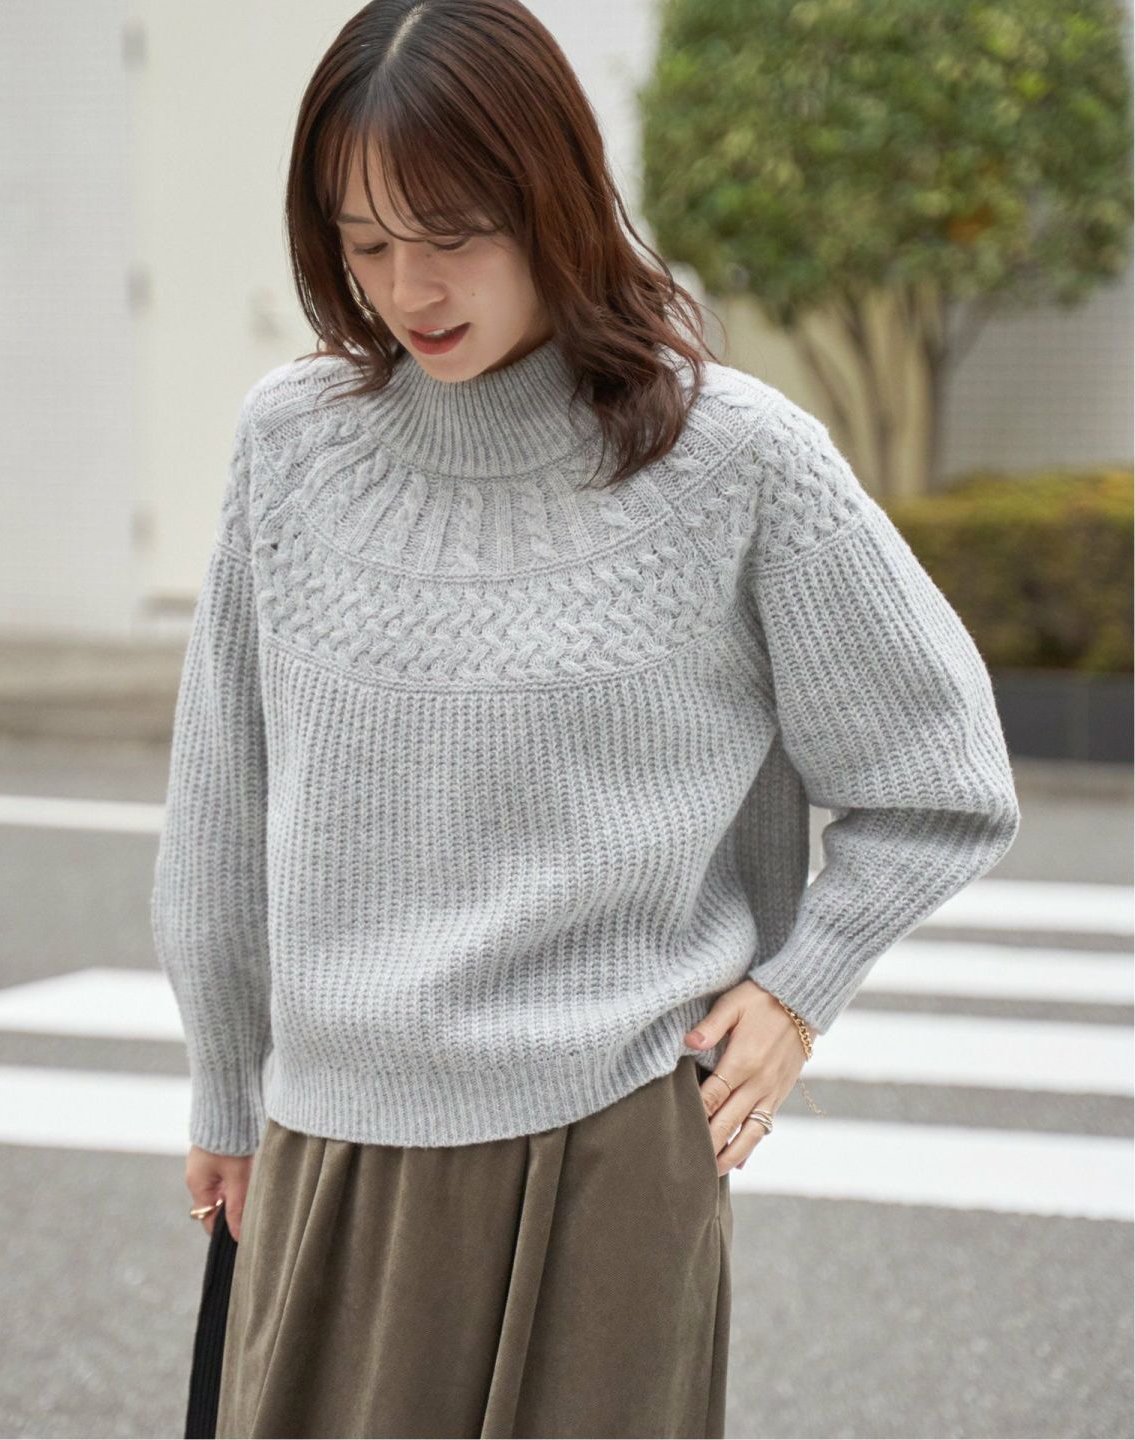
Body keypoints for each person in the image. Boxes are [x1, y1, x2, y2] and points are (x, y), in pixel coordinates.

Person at [150, 1, 1021, 1436]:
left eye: (453, 234)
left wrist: (799, 993)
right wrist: (225, 1093)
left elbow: (940, 778)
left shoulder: (734, 461)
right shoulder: (291, 446)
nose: (409, 288)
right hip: (330, 1140)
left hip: (608, 1156)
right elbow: (223, 800)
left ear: (553, 199)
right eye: (363, 243)